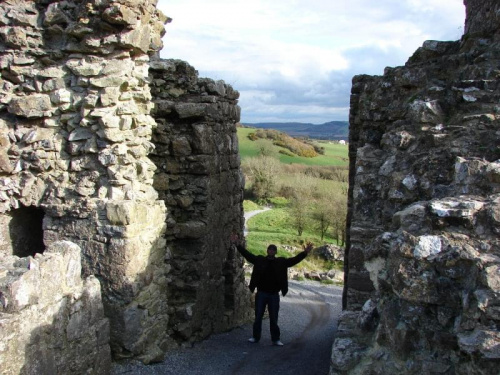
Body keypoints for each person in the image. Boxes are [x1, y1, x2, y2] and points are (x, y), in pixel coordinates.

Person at [230, 234, 313, 346]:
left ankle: (275, 339)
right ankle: (255, 337)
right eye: (270, 249)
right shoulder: (260, 260)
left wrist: (305, 253)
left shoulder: (281, 262)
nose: (271, 251)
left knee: (274, 317)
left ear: (275, 252)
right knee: (258, 316)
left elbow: (293, 260)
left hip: (274, 294)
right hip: (261, 293)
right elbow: (247, 255)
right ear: (267, 250)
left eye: (273, 250)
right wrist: (237, 244)